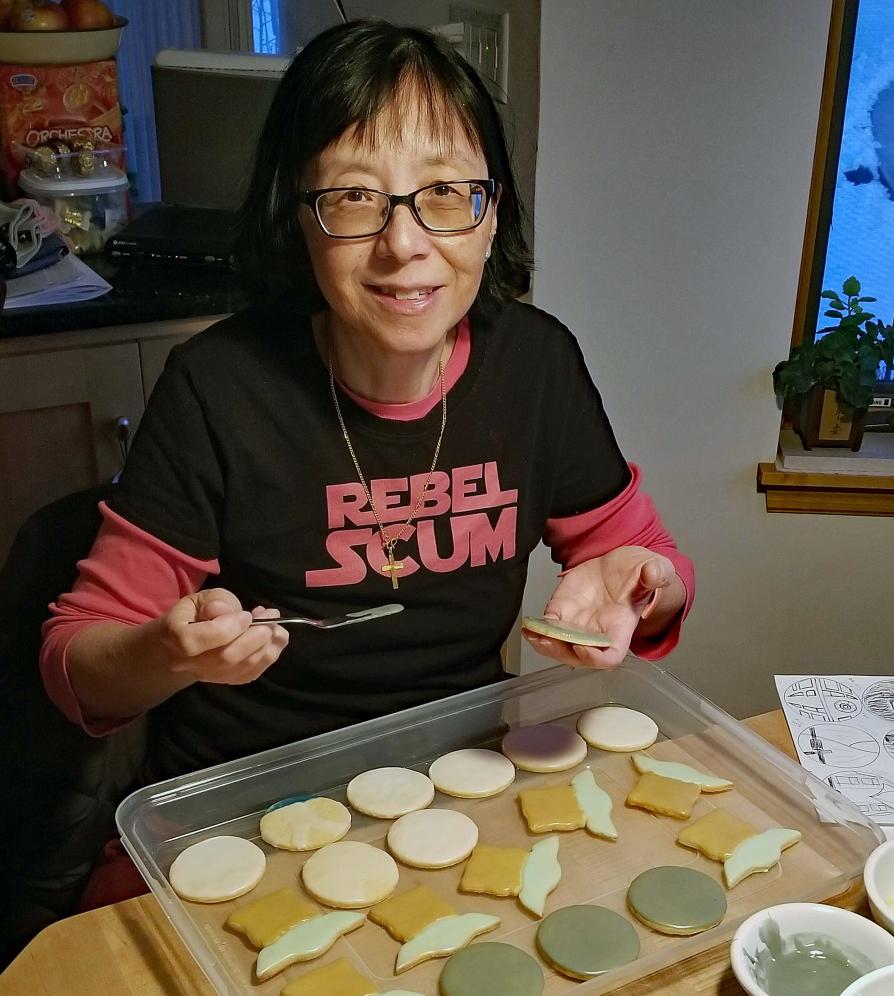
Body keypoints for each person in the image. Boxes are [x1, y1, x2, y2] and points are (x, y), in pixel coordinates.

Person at [40, 18, 694, 787]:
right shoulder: (217, 388)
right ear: (300, 215)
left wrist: (645, 585)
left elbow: (653, 569)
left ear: (491, 215)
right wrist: (165, 654)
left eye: (446, 192)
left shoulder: (538, 365)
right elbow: (76, 663)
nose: (404, 243)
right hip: (250, 803)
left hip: (462, 786)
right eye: (355, 197)